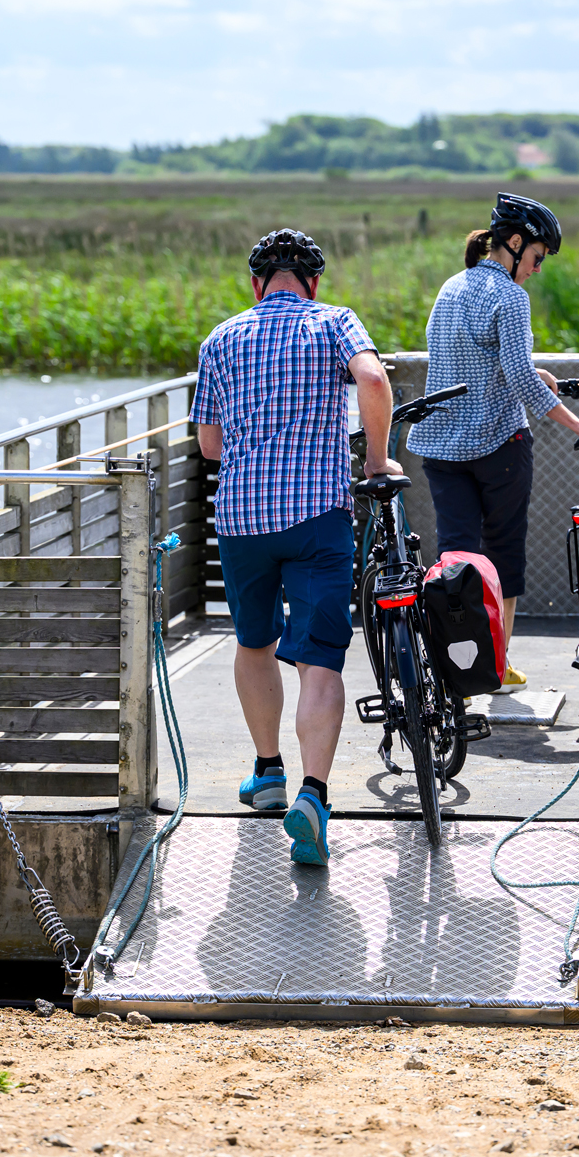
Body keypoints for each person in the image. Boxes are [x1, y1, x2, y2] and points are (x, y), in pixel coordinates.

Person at [191, 228, 399, 866]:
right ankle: (313, 795)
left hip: (243, 519)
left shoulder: (221, 338)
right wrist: (375, 458)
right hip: (316, 515)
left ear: (257, 285)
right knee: (320, 661)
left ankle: (267, 771)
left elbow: (208, 445)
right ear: (313, 282)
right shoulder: (335, 322)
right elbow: (373, 379)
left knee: (254, 642)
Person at [407, 193, 579, 690]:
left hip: (442, 449)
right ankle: (498, 667)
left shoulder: (451, 287)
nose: (537, 269)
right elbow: (519, 381)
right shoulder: (510, 298)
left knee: (456, 561)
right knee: (503, 554)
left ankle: (455, 671)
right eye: (536, 257)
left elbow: (472, 364)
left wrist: (532, 372)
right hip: (498, 447)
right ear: (513, 243)